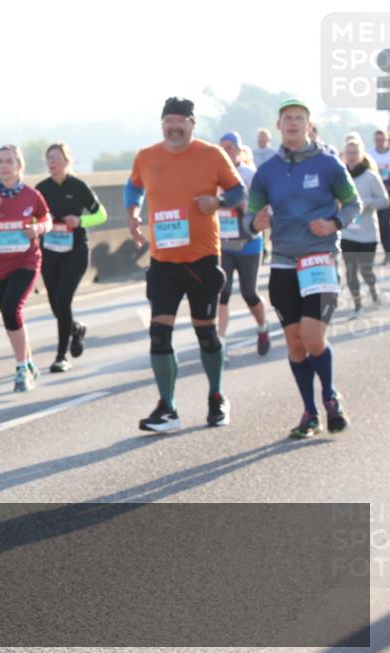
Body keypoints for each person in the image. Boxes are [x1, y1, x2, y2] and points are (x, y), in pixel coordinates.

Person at [125, 97, 246, 432]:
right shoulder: (147, 157)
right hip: (163, 261)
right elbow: (132, 186)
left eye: (180, 122)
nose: (173, 127)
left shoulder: (211, 155)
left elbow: (238, 191)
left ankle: (217, 397)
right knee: (159, 335)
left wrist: (218, 201)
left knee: (205, 333)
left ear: (192, 125)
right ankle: (168, 408)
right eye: (168, 122)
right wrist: (133, 213)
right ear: (162, 125)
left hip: (202, 259)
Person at [245, 98, 361, 438]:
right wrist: (257, 221)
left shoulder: (328, 164)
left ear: (308, 125)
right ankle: (309, 412)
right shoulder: (267, 172)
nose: (293, 123)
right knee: (295, 344)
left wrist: (334, 223)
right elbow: (250, 223)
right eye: (287, 118)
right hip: (282, 263)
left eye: (299, 118)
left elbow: (354, 202)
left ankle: (329, 396)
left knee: (312, 338)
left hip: (319, 259)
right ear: (279, 126)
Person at [0, 145, 51, 392]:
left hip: (26, 260)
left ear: (19, 165)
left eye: (9, 161)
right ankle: (27, 363)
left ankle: (20, 369)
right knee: (10, 315)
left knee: (11, 308)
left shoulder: (31, 195)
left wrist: (37, 229)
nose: (4, 166)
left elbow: (47, 219)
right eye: (0, 162)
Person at [35, 142, 107, 372]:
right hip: (50, 250)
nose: (52, 162)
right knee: (56, 305)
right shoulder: (40, 189)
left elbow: (101, 215)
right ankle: (76, 329)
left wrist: (80, 221)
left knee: (64, 300)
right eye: (49, 158)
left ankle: (61, 356)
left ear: (67, 161)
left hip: (75, 250)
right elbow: (33, 218)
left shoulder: (78, 186)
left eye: (57, 158)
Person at [217, 132, 270, 356]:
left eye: (229, 147)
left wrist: (244, 206)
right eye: (221, 147)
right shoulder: (213, 176)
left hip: (248, 242)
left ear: (238, 150)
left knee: (249, 293)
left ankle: (262, 327)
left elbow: (265, 208)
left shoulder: (249, 175)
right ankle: (220, 346)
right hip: (224, 243)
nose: (225, 151)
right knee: (222, 293)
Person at [341, 136, 389, 315]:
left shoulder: (370, 176)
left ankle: (373, 288)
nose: (352, 156)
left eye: (355, 153)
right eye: (349, 153)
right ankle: (357, 305)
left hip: (367, 232)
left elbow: (384, 201)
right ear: (344, 154)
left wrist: (367, 202)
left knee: (365, 270)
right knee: (350, 271)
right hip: (347, 232)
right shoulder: (340, 176)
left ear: (361, 154)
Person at [369, 129, 390, 264]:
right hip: (378, 190)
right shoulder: (370, 154)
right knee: (383, 223)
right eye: (377, 140)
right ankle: (387, 251)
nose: (380, 142)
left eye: (382, 140)